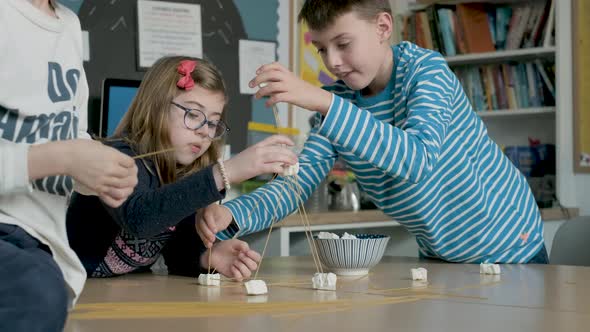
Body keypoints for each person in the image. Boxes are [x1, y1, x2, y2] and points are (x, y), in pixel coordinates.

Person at [196, 0, 548, 264]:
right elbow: (296, 185)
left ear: (383, 27)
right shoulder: (338, 103)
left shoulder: (426, 72)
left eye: (343, 44)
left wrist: (321, 100)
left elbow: (418, 160)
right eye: (321, 49)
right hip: (441, 254)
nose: (332, 61)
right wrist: (234, 214)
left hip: (510, 244)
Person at [66, 56, 299, 281]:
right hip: (68, 283)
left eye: (213, 121)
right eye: (194, 114)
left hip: (121, 293)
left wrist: (207, 257)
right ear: (155, 109)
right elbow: (139, 218)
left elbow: (177, 254)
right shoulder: (117, 156)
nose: (204, 131)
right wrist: (222, 173)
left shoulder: (188, 173)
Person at [0, 1, 138, 331]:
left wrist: (97, 174)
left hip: (40, 243)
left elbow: (69, 134)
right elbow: (63, 151)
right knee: (36, 293)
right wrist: (65, 158)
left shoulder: (70, 26)